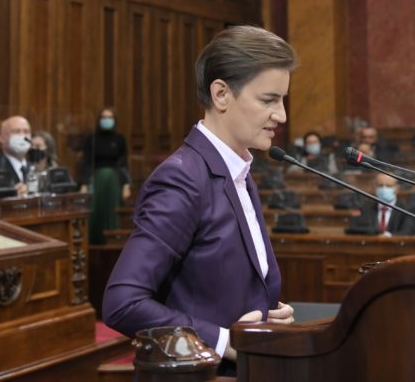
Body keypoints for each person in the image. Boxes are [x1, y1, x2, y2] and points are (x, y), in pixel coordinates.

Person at [103, 25, 297, 372]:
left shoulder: (237, 169)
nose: (281, 115)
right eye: (269, 100)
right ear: (221, 94)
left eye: (282, 100)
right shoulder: (182, 178)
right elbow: (122, 301)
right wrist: (223, 341)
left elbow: (216, 288)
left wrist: (266, 314)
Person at [79, 107, 132, 245]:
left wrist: (126, 185)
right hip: (96, 180)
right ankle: (94, 241)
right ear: (99, 120)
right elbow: (87, 163)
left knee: (113, 210)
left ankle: (114, 240)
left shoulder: (119, 139)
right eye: (104, 117)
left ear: (114, 120)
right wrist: (84, 183)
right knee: (96, 209)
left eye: (109, 117)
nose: (106, 120)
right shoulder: (92, 139)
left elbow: (123, 164)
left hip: (114, 180)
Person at [0, 115, 34, 195]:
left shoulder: (35, 168)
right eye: (16, 131)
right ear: (2, 138)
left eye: (26, 131)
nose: (23, 136)